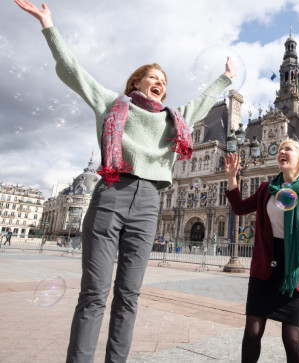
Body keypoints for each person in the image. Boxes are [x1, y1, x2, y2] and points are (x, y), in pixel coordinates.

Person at [15, 1, 235, 362]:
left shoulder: (173, 120)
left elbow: (203, 100)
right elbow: (73, 72)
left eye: (164, 83)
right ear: (137, 82)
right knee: (94, 293)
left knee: (129, 295)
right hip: (111, 195)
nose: (161, 85)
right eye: (154, 79)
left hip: (150, 203)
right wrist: (47, 24)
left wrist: (225, 77)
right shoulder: (113, 104)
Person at [224, 139, 299, 363]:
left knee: (292, 339)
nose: (282, 151)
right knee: (252, 332)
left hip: (295, 271)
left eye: (288, 149)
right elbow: (240, 208)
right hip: (265, 267)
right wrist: (231, 179)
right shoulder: (267, 188)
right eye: (280, 149)